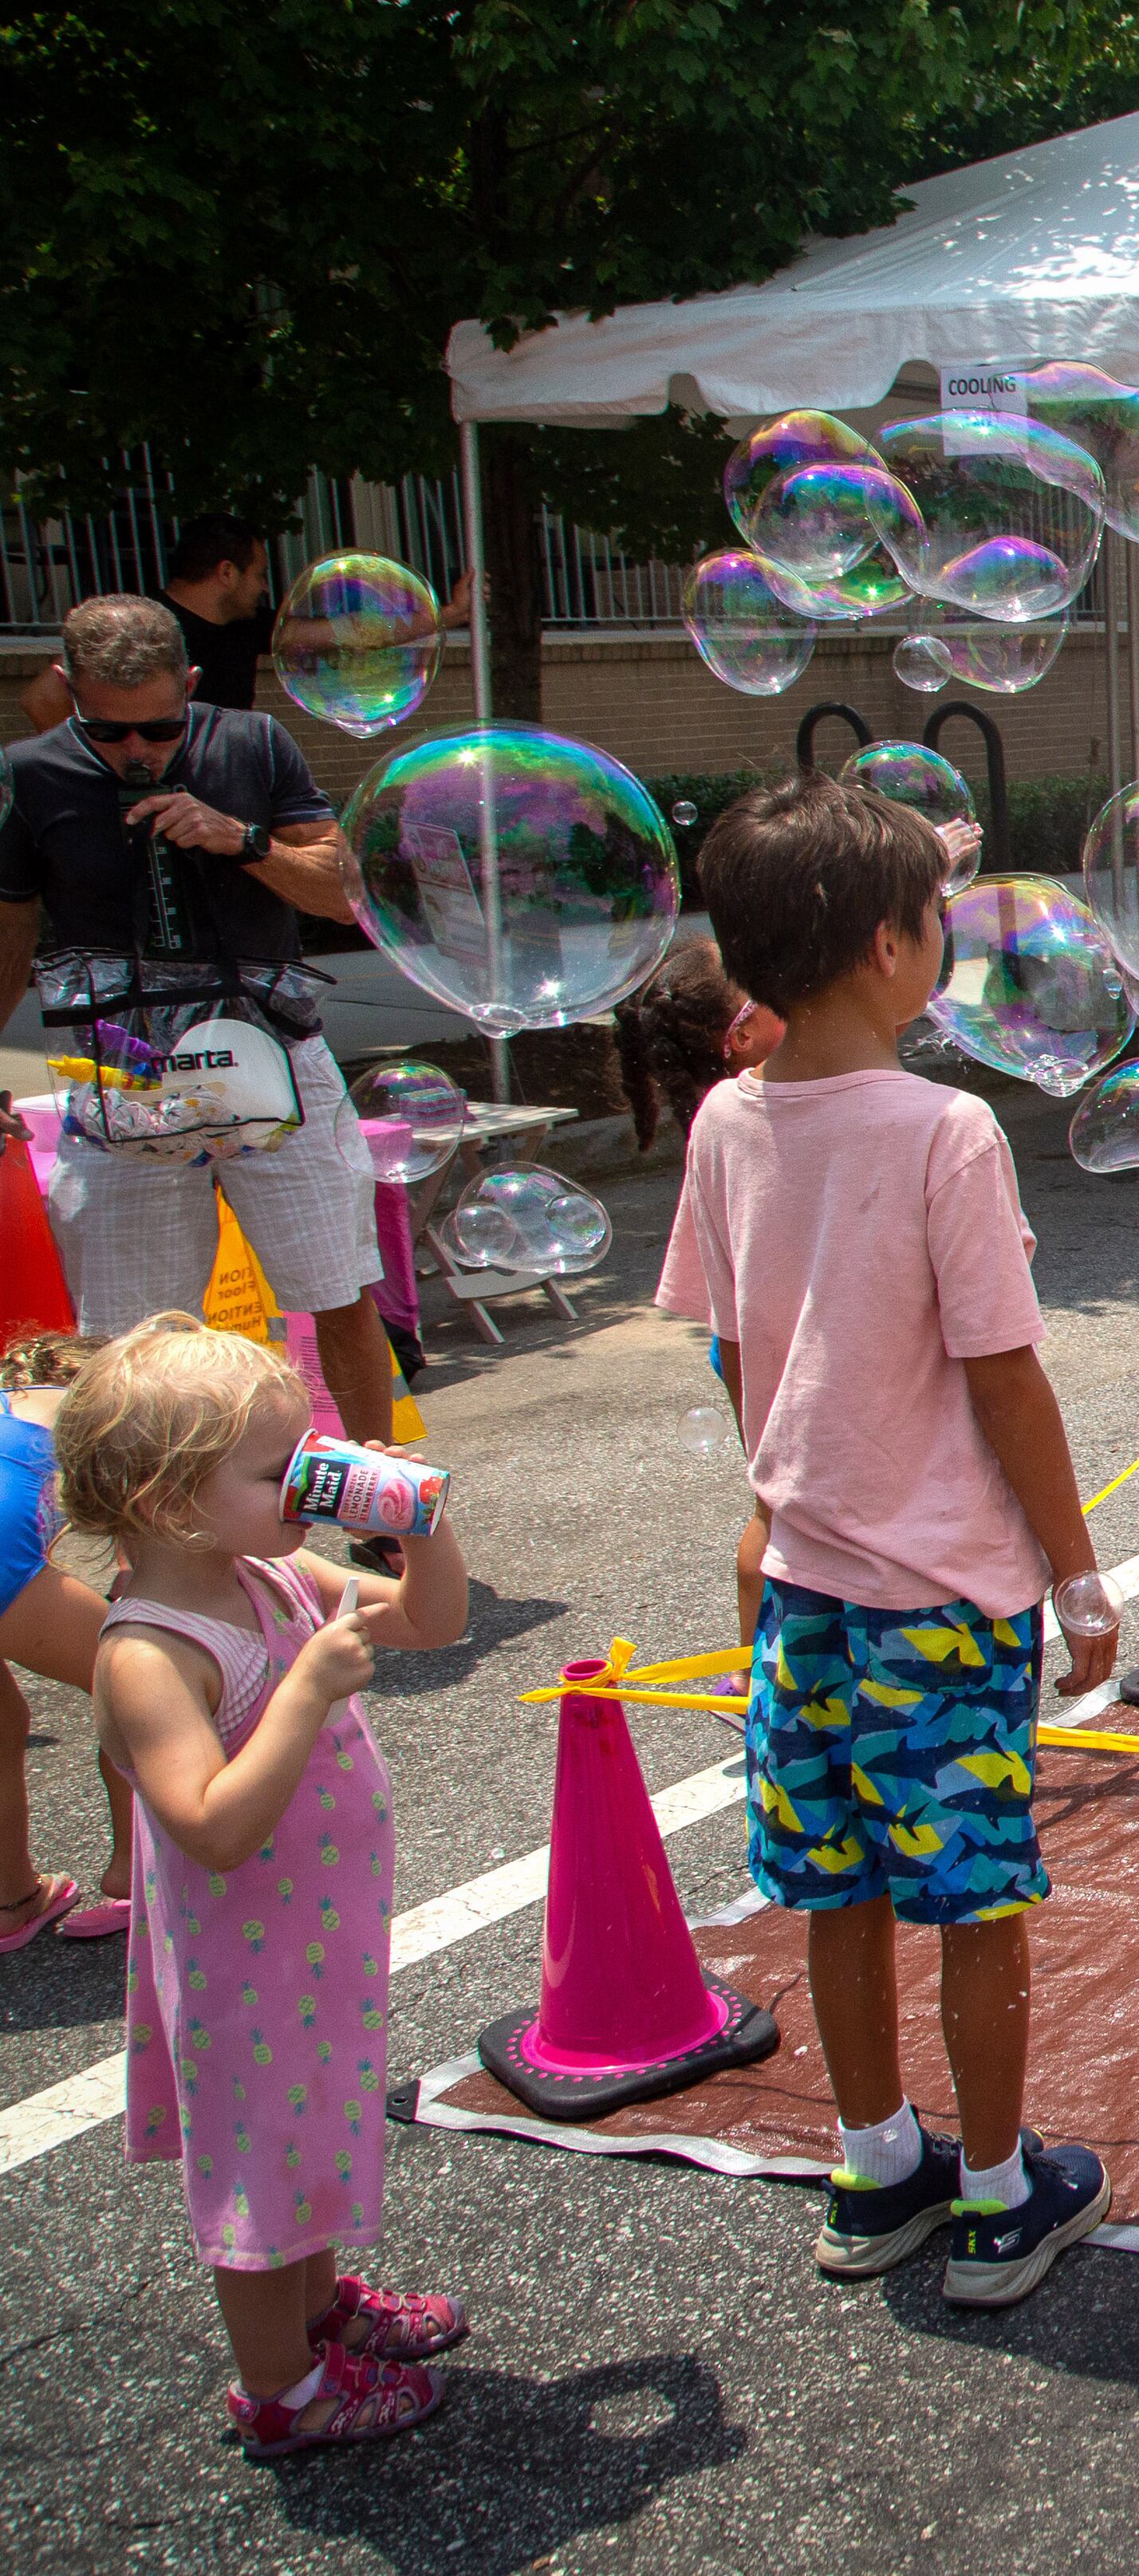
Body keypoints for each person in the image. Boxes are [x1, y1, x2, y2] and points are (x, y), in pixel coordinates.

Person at [656, 774, 1119, 2307]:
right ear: (888, 952)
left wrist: (773, 1489)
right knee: (974, 1896)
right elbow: (1005, 1373)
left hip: (806, 1586)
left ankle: (872, 2172)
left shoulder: (727, 1117)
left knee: (835, 1888)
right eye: (932, 918)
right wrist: (1079, 1568)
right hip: (941, 1598)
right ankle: (997, 2197)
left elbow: (734, 1346)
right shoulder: (950, 1131)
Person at [65, 1314, 471, 2455]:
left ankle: (317, 2313)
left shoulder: (271, 1566)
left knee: (310, 2134)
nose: (310, 1481)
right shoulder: (148, 1649)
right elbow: (208, 1825)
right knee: (261, 2165)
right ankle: (282, 2392)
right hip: (243, 1961)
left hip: (312, 1938)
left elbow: (435, 1621)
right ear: (162, 1499)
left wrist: (425, 1528)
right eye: (274, 1468)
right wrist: (303, 1692)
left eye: (310, 1456)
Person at [0, 597, 404, 1448]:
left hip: (274, 1065)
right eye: (108, 733)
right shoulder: (30, 776)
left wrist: (242, 839)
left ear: (188, 683)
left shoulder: (252, 744)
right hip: (122, 1079)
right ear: (67, 690)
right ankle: (153, 1542)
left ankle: (378, 1503)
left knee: (337, 1291)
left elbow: (343, 890)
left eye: (158, 726)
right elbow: (8, 937)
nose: (138, 751)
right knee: (130, 1341)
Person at [615, 937, 787, 1636]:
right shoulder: (763, 1116)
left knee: (774, 1509)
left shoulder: (719, 1120)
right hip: (777, 1341)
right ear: (742, 1032)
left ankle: (756, 1678)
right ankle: (761, 1676)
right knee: (782, 1519)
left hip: (744, 1339)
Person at [18, 517, 474, 734]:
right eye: (257, 573)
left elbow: (353, 632)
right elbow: (41, 698)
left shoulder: (250, 625)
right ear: (226, 573)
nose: (262, 587)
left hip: (215, 782)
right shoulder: (142, 624)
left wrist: (449, 615)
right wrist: (106, 762)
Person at [0, 1330, 135, 1949]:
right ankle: (140, 1878)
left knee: (3, 1721)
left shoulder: (13, 1403)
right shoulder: (106, 1412)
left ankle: (12, 1899)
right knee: (139, 1685)